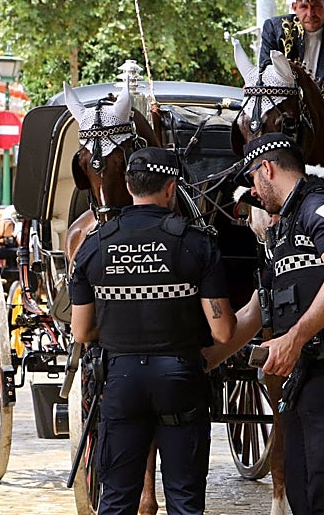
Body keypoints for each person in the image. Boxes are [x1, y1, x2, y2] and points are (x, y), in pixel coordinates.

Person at [69, 147, 234, 515]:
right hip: (179, 378)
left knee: (116, 500)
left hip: (121, 379)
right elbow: (223, 332)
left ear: (128, 186)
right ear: (171, 188)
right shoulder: (196, 243)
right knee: (185, 499)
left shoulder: (94, 245)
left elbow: (81, 331)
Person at [237, 133, 324, 513]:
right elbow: (254, 310)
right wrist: (205, 358)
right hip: (300, 377)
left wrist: (293, 339)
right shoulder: (283, 228)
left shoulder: (322, 205)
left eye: (251, 179)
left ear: (266, 168)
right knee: (300, 489)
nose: (253, 190)